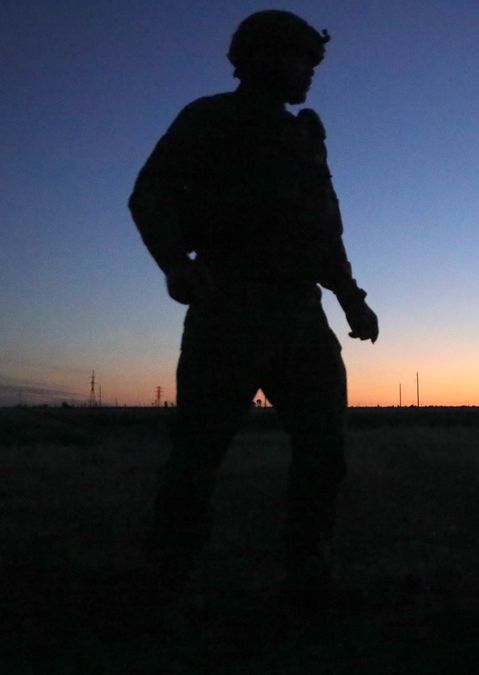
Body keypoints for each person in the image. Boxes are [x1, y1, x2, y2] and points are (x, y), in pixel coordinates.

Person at [128, 9, 379, 608]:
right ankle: (166, 582)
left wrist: (351, 299)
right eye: (301, 59)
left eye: (313, 62)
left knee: (324, 449)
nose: (310, 72)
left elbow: (325, 231)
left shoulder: (304, 138)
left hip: (301, 313)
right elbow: (150, 193)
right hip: (229, 307)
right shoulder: (209, 118)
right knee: (199, 451)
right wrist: (175, 263)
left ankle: (307, 575)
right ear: (261, 58)